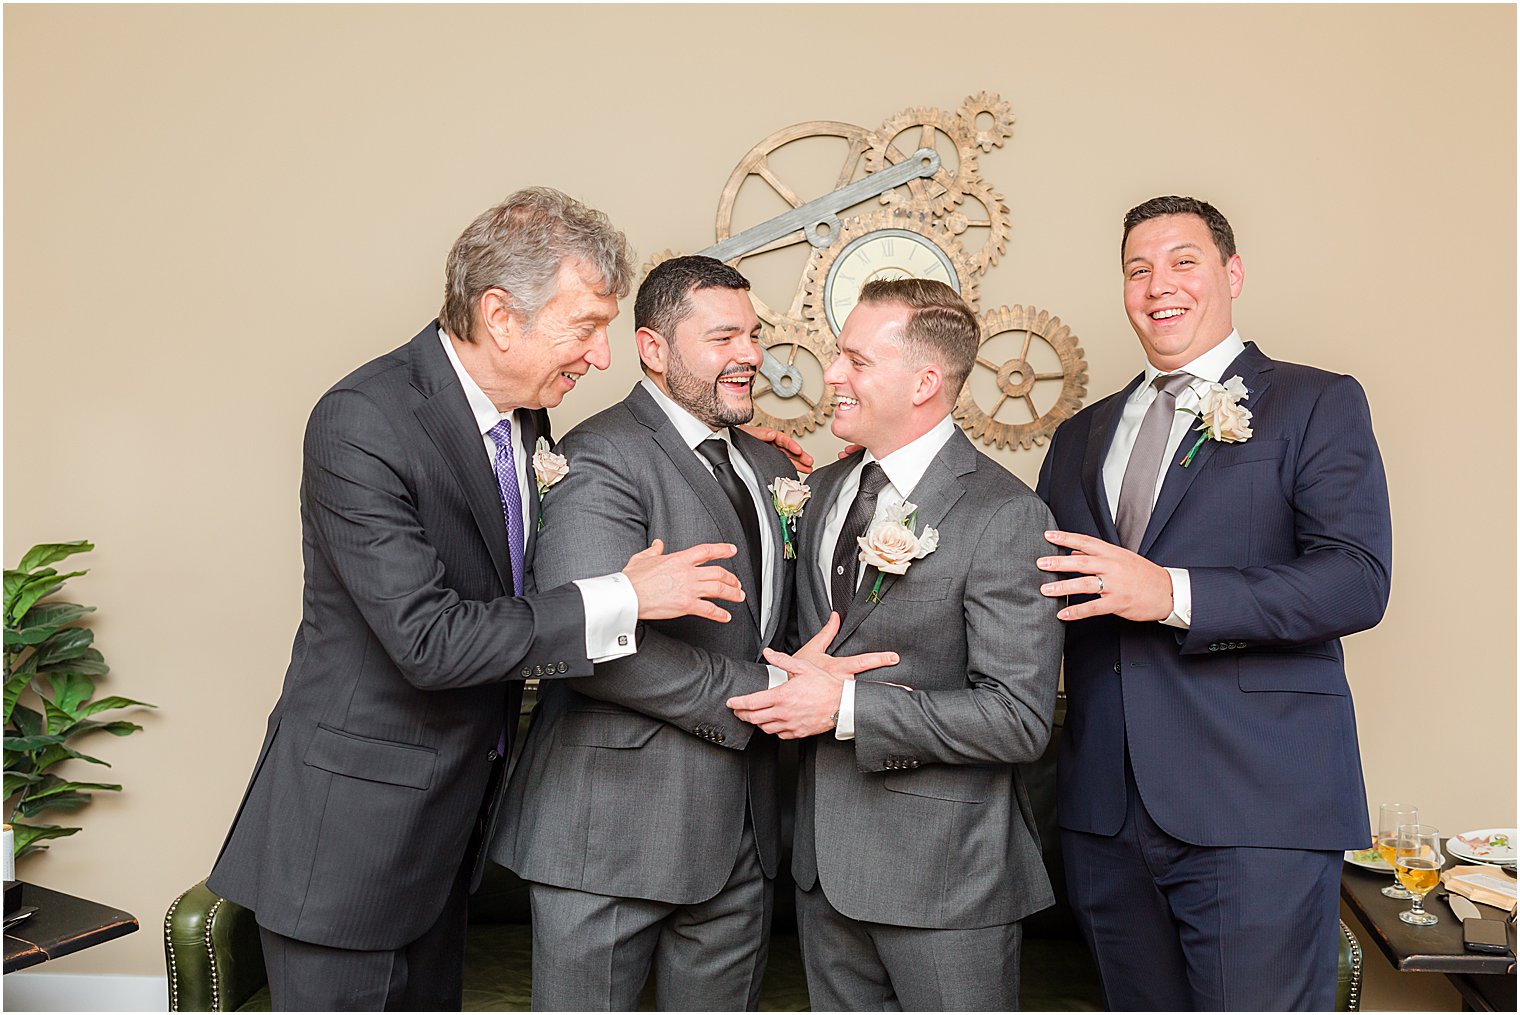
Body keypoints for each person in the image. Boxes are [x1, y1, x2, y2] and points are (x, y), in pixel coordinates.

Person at [207, 190, 809, 1011]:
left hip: (448, 831)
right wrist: (623, 595)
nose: (600, 358)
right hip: (350, 838)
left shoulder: (525, 422)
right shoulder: (362, 421)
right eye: (586, 326)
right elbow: (429, 640)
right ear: (500, 315)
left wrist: (728, 455)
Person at [493, 255, 893, 1011]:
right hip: (608, 835)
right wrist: (772, 692)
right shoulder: (598, 455)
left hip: (741, 839)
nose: (750, 355)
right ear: (653, 349)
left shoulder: (769, 461)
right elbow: (592, 649)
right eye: (723, 338)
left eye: (753, 335)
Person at [1035, 195, 1392, 1010]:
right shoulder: (1079, 434)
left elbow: (1356, 576)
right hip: (1104, 814)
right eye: (1138, 268)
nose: (1159, 284)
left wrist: (1172, 593)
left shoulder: (1315, 402)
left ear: (1231, 273)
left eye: (1183, 261)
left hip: (1255, 803)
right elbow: (1037, 588)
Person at [728, 278, 1063, 1011]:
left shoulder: (1005, 514)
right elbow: (808, 638)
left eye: (854, 359)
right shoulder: (823, 492)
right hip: (823, 874)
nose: (833, 375)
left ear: (924, 381)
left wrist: (848, 705)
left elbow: (1020, 718)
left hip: (946, 877)